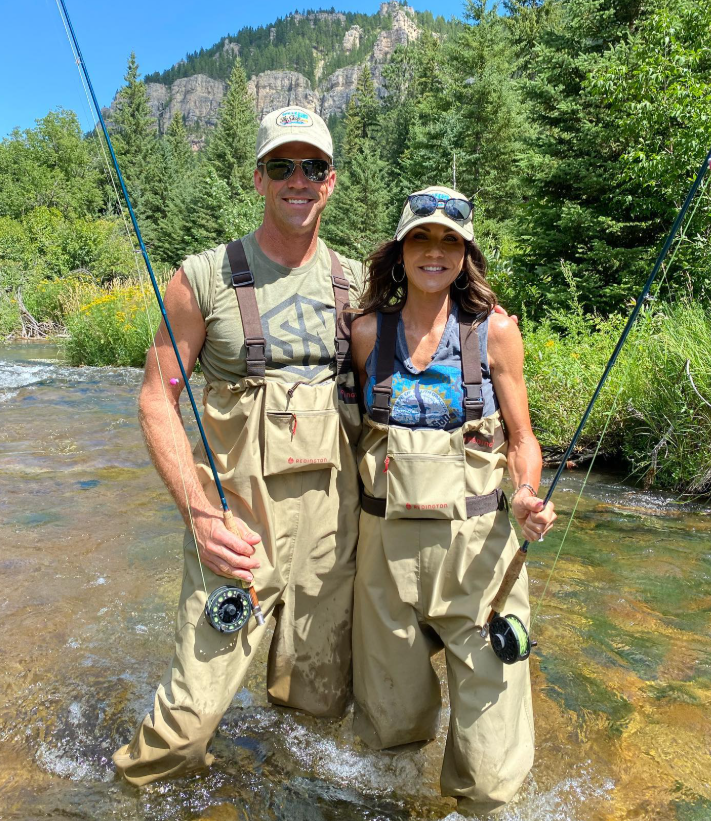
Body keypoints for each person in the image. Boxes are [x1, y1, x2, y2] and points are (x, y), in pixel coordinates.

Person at [113, 106, 365, 785]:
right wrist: (198, 512)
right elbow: (155, 397)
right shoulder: (201, 279)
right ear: (259, 178)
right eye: (282, 166)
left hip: (331, 537)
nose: (298, 180)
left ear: (331, 181)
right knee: (182, 732)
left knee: (314, 719)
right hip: (237, 532)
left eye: (312, 166)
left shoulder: (361, 284)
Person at [349, 185, 557, 816]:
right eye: (421, 238)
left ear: (466, 253)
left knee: (492, 778)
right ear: (400, 249)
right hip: (385, 560)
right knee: (388, 746)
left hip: (480, 560)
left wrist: (525, 493)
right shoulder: (364, 334)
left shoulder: (496, 332)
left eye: (449, 241)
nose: (434, 252)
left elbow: (523, 440)